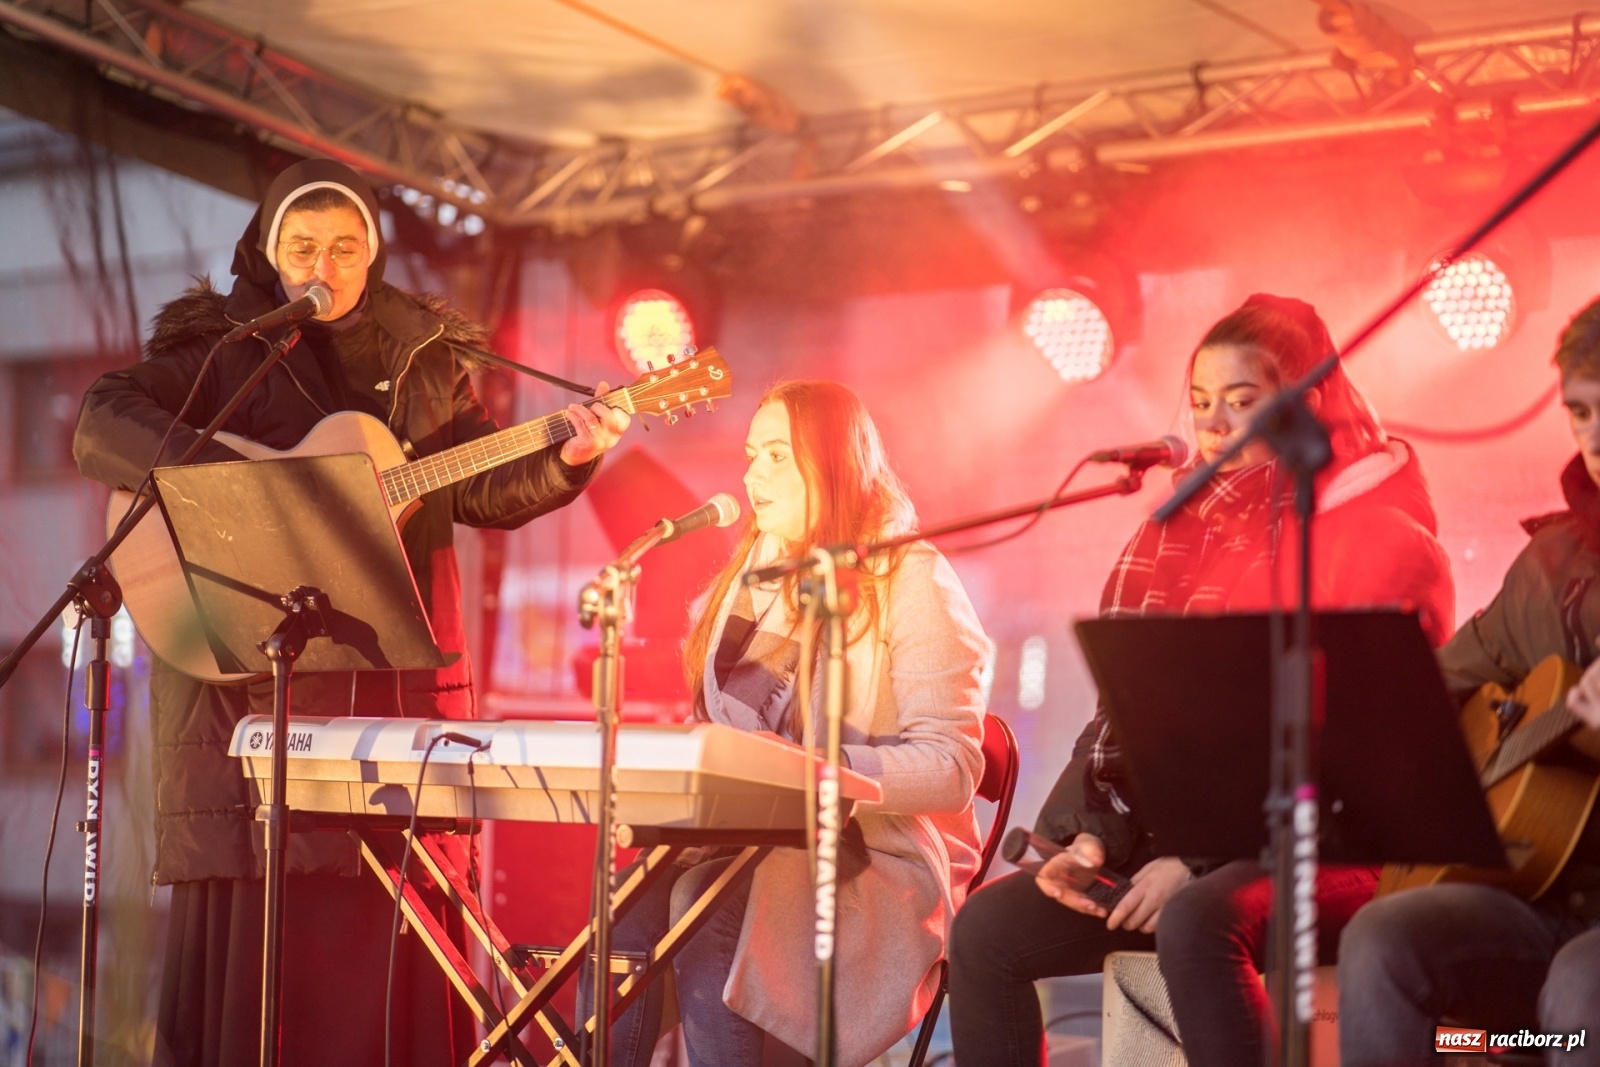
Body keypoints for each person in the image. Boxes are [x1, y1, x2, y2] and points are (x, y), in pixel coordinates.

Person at [72, 158, 629, 1066]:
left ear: (371, 254)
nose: (322, 267)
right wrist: (249, 498)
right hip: (252, 698)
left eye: (343, 248)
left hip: (389, 699)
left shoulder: (424, 358)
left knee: (387, 960)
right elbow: (102, 418)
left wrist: (568, 459)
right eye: (303, 248)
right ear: (269, 251)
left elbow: (480, 485)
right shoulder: (222, 349)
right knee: (265, 979)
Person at [946, 294, 1456, 1067]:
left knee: (1197, 917)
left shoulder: (1378, 535)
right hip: (1187, 840)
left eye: (1242, 401)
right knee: (987, 931)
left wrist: (1199, 861)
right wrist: (1089, 835)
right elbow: (1125, 715)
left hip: (1337, 846)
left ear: (1306, 403)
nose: (1213, 424)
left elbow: (1361, 752)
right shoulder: (1172, 537)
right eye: (1201, 401)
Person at [587, 380, 991, 1067]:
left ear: (834, 465)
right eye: (751, 455)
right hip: (750, 844)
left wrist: (815, 773)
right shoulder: (748, 579)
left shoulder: (912, 576)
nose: (752, 477)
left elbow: (952, 768)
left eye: (778, 455)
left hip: (874, 856)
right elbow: (719, 730)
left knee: (705, 906)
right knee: (621, 921)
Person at [1337, 299, 1600, 1067]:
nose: (1594, 435)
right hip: (1545, 891)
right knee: (1383, 937)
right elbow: (1443, 684)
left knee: (1579, 992)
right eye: (1581, 411)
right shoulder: (1550, 566)